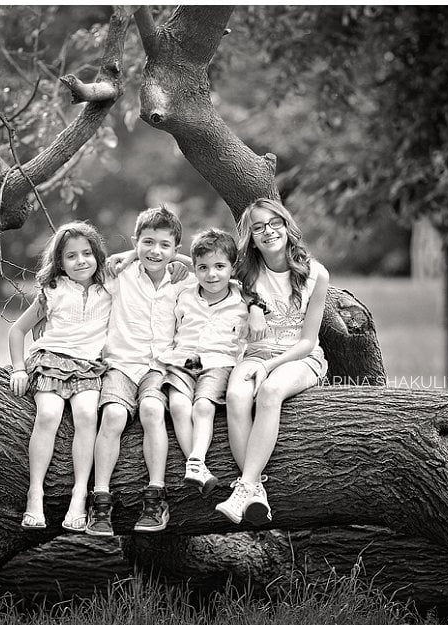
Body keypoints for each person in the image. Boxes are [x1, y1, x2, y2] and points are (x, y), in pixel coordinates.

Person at [216, 198, 329, 525]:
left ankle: (246, 485)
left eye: (274, 223)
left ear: (286, 225)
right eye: (258, 227)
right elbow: (196, 262)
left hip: (300, 358)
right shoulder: (243, 272)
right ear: (251, 237)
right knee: (236, 396)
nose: (268, 231)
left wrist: (269, 366)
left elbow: (308, 341)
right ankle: (255, 492)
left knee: (269, 392)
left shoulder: (315, 274)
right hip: (256, 355)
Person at [85, 206, 195, 536]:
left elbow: (223, 273)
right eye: (147, 243)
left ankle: (155, 495)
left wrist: (185, 261)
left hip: (159, 365)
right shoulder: (120, 274)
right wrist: (130, 255)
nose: (155, 251)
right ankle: (100, 498)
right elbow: (91, 267)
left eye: (165, 245)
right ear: (136, 243)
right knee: (115, 415)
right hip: (121, 364)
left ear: (176, 249)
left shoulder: (183, 281)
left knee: (150, 410)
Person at [7, 221, 112, 532]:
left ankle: (79, 496)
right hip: (51, 361)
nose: (80, 261)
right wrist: (18, 368)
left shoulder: (109, 289)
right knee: (49, 414)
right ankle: (34, 494)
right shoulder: (52, 292)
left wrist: (178, 262)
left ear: (98, 256)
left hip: (89, 364)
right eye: (71, 256)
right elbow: (17, 331)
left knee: (86, 414)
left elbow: (140, 255)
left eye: (87, 253)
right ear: (60, 262)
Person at [158, 229, 251, 496]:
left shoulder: (242, 296)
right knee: (177, 405)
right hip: (182, 362)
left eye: (220, 267)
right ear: (195, 269)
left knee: (202, 406)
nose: (212, 275)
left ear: (232, 268)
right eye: (203, 268)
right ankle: (197, 467)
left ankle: (196, 458)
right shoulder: (185, 293)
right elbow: (172, 260)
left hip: (219, 363)